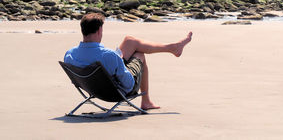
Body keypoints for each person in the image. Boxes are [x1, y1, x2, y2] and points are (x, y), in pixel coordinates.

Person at [64, 12, 193, 110]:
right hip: (113, 91)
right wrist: (121, 64)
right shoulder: (109, 56)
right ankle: (146, 101)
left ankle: (172, 48)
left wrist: (117, 62)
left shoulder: (70, 54)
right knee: (140, 54)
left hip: (93, 87)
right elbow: (129, 84)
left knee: (130, 41)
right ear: (99, 31)